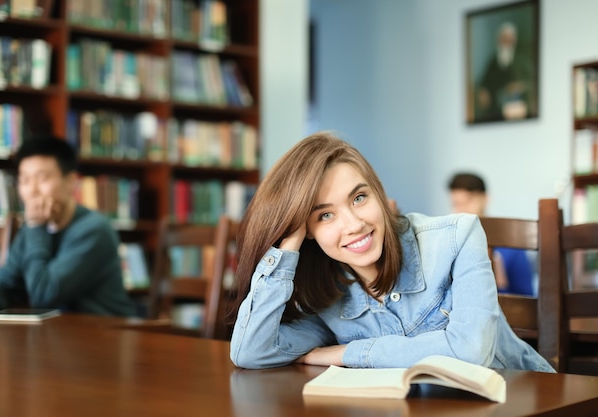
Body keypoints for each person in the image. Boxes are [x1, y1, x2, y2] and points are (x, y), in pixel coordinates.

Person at [229, 132, 553, 372]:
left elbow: (470, 353)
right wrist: (286, 247)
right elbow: (251, 352)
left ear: (378, 194)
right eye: (324, 215)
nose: (354, 224)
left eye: (358, 198)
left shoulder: (458, 237)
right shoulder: (329, 301)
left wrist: (346, 353)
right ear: (308, 231)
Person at [0, 136, 136, 317]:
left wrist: (36, 226)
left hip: (106, 335)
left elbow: (44, 295)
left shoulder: (94, 230)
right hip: (58, 337)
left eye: (42, 179)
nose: (32, 190)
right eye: (24, 180)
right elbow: (7, 280)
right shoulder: (32, 230)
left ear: (71, 181)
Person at [447, 172, 535, 296]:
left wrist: (500, 284)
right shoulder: (449, 247)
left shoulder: (511, 245)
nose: (461, 210)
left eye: (467, 201)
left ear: (485, 199)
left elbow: (528, 300)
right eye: (456, 204)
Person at [475, 21, 535, 122]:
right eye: (504, 38)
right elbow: (484, 83)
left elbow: (532, 81)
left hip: (517, 107)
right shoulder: (493, 62)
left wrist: (519, 86)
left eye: (509, 39)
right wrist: (483, 91)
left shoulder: (521, 60)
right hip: (496, 108)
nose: (506, 42)